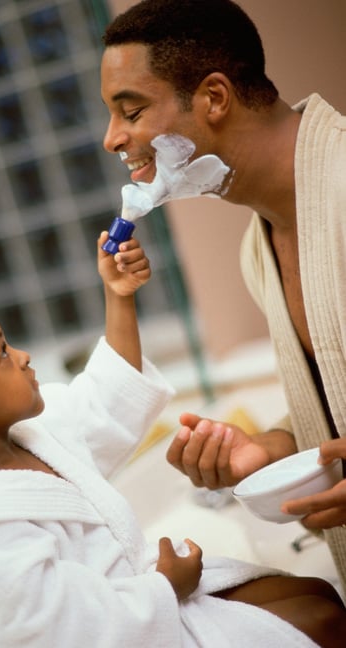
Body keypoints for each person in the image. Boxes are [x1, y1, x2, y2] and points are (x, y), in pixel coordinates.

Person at [0, 233, 346, 647]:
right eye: (3, 354)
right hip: (134, 626)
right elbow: (52, 633)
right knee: (322, 622)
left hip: (150, 607)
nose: (24, 355)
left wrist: (119, 296)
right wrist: (163, 587)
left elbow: (107, 397)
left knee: (319, 594)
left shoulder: (31, 438)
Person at [100, 0, 346, 594]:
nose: (113, 139)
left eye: (130, 110)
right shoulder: (256, 249)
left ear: (214, 97)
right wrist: (269, 448)